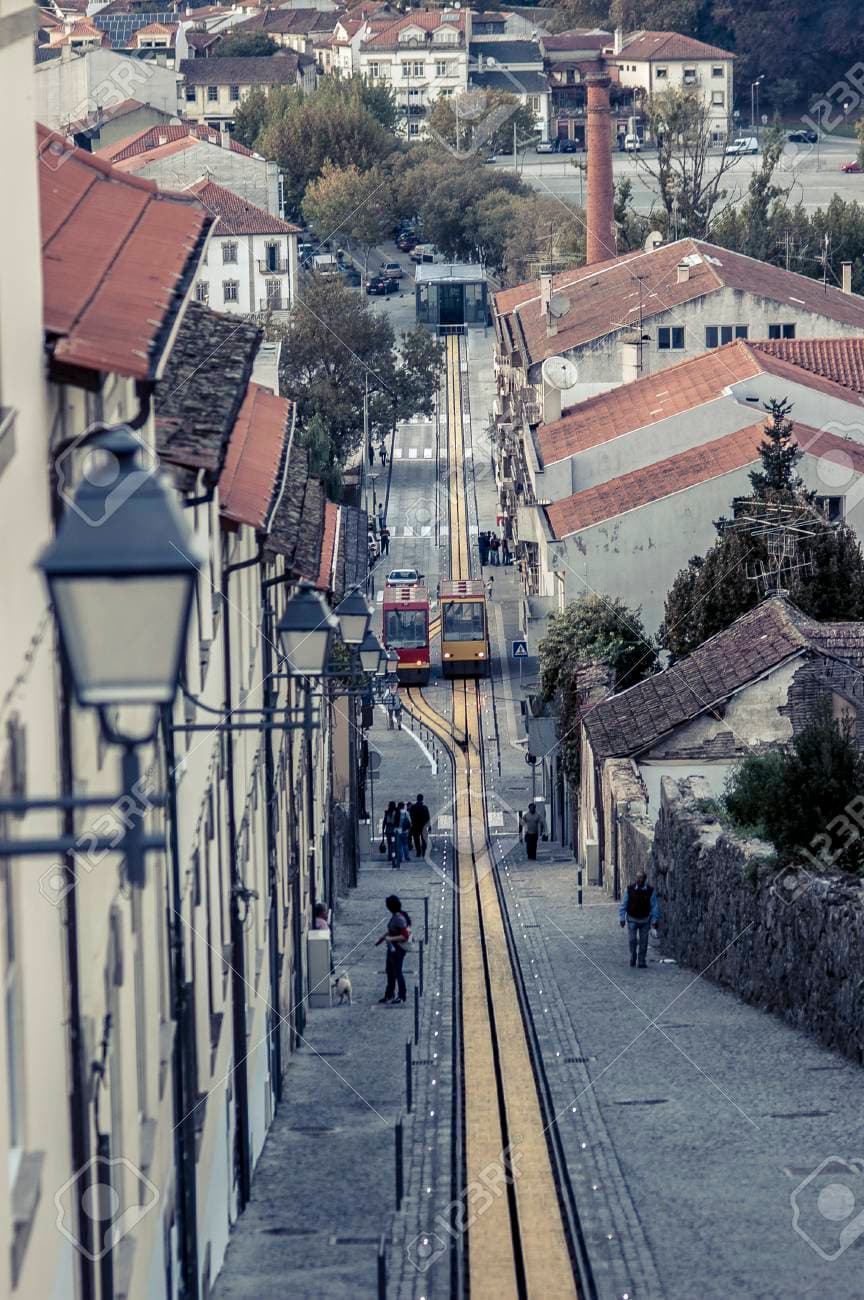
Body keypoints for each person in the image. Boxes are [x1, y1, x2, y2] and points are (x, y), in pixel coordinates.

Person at [375, 895, 412, 1004]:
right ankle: (389, 994)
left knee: (397, 972)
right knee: (390, 971)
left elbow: (404, 935)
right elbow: (392, 930)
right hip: (392, 948)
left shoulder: (399, 918)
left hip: (398, 949)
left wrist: (390, 938)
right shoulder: (396, 916)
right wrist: (382, 938)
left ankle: (401, 995)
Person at [619, 871, 660, 968]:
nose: (639, 880)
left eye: (641, 878)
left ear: (645, 879)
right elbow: (623, 904)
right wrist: (622, 918)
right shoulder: (629, 889)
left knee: (644, 941)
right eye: (637, 878)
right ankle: (633, 954)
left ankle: (641, 960)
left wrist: (654, 921)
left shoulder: (650, 891)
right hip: (632, 919)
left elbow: (654, 906)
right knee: (632, 940)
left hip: (645, 920)